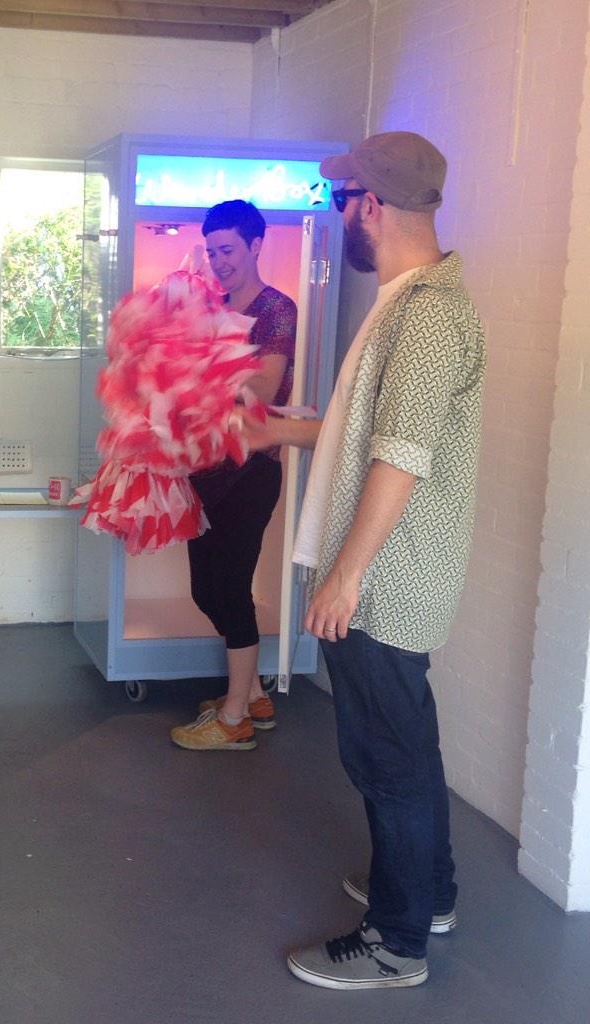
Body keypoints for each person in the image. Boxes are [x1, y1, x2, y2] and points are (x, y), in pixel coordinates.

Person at [236, 132, 485, 988]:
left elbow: (402, 456)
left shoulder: (425, 316)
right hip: (387, 577)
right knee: (406, 746)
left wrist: (343, 576)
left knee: (388, 760)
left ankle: (395, 941)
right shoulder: (415, 299)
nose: (338, 213)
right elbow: (368, 433)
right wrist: (283, 429)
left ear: (371, 207)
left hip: (382, 583)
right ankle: (428, 892)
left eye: (343, 201)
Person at [170, 200, 296, 752]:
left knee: (231, 588)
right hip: (204, 469)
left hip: (251, 471)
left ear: (255, 246)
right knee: (206, 589)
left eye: (228, 250)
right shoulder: (211, 307)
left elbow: (263, 393)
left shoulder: (276, 310)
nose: (219, 262)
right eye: (212, 251)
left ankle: (236, 717)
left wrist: (207, 370)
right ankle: (253, 693)